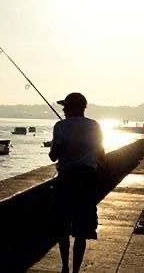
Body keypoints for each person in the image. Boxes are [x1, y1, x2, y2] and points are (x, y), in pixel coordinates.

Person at [49, 93, 104, 273]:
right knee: (82, 231)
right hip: (87, 181)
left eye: (65, 107)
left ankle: (64, 267)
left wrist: (62, 145)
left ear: (73, 108)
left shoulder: (60, 126)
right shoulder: (95, 126)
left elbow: (53, 156)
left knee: (62, 228)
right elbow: (101, 155)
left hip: (66, 181)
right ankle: (75, 271)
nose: (63, 110)